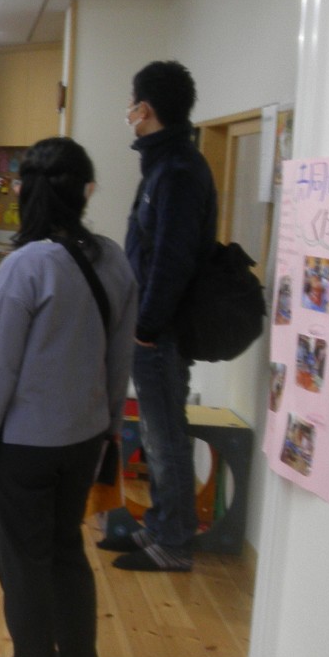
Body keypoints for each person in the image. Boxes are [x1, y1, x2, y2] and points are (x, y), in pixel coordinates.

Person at [0, 137, 137, 657]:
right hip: (86, 436)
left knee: (23, 560)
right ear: (86, 191)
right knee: (65, 547)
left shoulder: (26, 265)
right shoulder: (114, 259)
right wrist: (110, 427)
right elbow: (119, 358)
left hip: (28, 444)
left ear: (26, 193)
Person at [105, 60, 218, 572]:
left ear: (145, 109)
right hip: (152, 325)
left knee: (165, 432)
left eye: (132, 104)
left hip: (162, 330)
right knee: (154, 431)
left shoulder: (178, 171)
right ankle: (159, 526)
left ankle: (173, 541)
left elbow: (172, 259)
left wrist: (147, 326)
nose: (129, 113)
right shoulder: (165, 164)